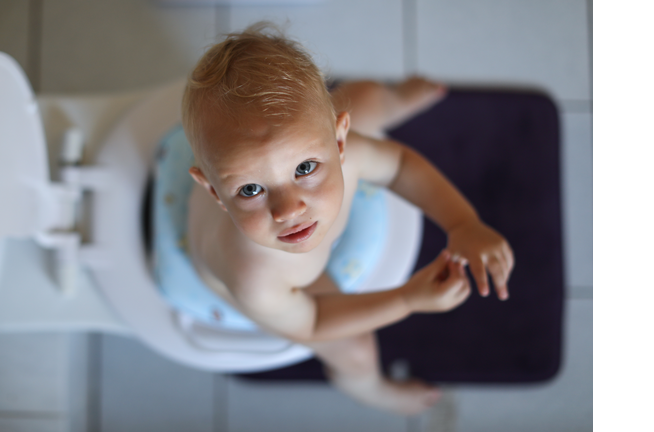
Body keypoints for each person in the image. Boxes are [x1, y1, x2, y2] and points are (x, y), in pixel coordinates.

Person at [180, 23, 514, 415]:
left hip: (305, 176)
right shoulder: (254, 274)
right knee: (355, 349)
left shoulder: (346, 152)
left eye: (305, 167)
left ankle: (393, 100)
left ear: (340, 142)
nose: (288, 210)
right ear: (215, 192)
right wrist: (406, 299)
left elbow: (401, 165)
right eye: (250, 190)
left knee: (369, 96)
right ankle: (370, 388)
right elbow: (314, 322)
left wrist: (463, 224)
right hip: (290, 285)